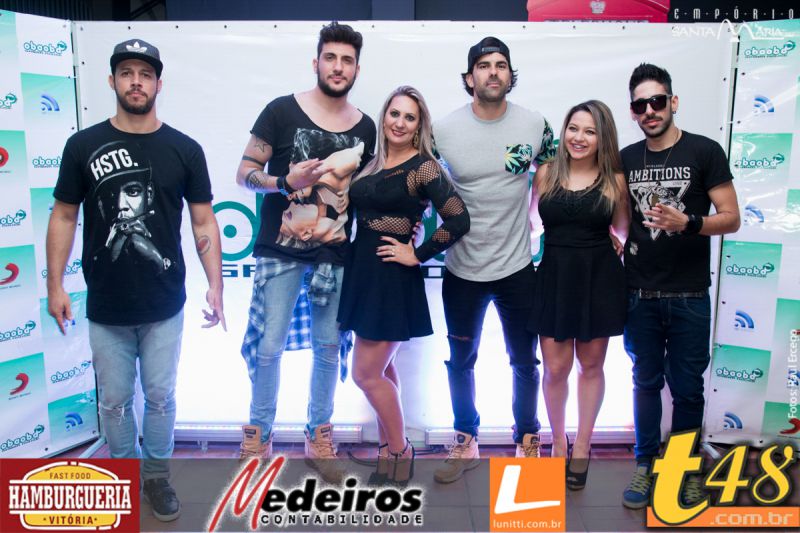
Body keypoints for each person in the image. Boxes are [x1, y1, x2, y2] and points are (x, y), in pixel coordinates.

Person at [47, 38, 225, 522]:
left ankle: (157, 477)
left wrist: (216, 285)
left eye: (145, 74)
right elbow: (64, 216)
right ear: (112, 81)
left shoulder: (184, 149)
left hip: (164, 303)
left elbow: (204, 222)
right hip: (107, 304)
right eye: (126, 72)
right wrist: (55, 285)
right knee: (114, 402)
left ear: (159, 84)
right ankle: (123, 478)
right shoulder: (82, 145)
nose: (136, 81)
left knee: (161, 398)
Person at [235, 22, 376, 483]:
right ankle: (259, 436)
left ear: (356, 69)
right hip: (280, 251)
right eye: (331, 58)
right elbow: (244, 172)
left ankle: (319, 438)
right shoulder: (280, 111)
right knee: (268, 346)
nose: (338, 67)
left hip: (334, 256)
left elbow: (367, 190)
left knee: (328, 348)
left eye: (347, 60)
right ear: (316, 62)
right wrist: (284, 182)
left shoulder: (366, 127)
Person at [433, 36, 556, 483]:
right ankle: (465, 439)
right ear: (470, 78)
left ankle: (527, 440)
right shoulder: (442, 130)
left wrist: (536, 211)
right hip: (462, 268)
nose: (493, 72)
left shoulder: (534, 123)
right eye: (484, 66)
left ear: (510, 74)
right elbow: (417, 179)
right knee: (460, 360)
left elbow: (551, 166)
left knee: (525, 361)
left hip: (517, 268)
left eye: (501, 65)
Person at [620, 63, 740, 509]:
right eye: (640, 105)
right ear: (633, 112)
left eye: (657, 101)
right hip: (640, 295)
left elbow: (732, 217)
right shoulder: (627, 158)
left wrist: (688, 221)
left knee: (688, 389)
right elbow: (618, 218)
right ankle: (645, 464)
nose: (649, 111)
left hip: (689, 295)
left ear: (673, 102)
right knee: (645, 383)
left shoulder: (704, 151)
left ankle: (682, 470)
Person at [337, 86, 470, 485]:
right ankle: (387, 451)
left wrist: (419, 253)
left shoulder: (423, 167)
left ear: (418, 126)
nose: (399, 122)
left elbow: (459, 219)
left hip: (392, 277)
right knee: (384, 368)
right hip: (363, 271)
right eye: (394, 114)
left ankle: (400, 449)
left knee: (365, 374)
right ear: (384, 117)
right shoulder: (370, 163)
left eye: (409, 117)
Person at [528, 100, 629, 490]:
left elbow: (622, 229)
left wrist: (614, 241)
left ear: (603, 138)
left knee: (591, 366)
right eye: (573, 128)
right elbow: (533, 221)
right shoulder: (546, 173)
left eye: (589, 131)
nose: (579, 137)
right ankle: (558, 442)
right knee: (554, 369)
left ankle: (583, 445)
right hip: (554, 275)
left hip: (597, 279)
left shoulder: (615, 181)